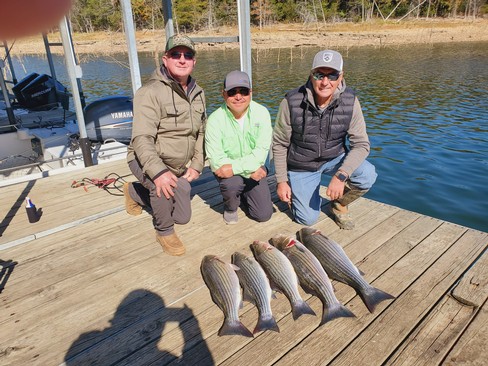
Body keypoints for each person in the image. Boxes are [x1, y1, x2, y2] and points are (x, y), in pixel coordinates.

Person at [272, 50, 377, 230]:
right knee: (307, 219)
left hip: (334, 158)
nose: (325, 82)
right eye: (319, 74)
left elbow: (361, 144)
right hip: (301, 164)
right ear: (311, 74)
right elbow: (280, 144)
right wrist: (281, 181)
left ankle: (339, 203)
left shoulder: (351, 101)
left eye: (332, 75)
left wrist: (341, 175)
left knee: (367, 175)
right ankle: (302, 193)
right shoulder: (291, 101)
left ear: (341, 76)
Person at [123, 35, 206, 255]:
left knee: (183, 217)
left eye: (188, 55)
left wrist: (197, 163)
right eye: (175, 54)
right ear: (165, 59)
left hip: (178, 166)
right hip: (146, 160)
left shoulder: (199, 93)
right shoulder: (149, 92)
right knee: (161, 188)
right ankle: (164, 231)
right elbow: (141, 139)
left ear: (194, 61)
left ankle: (134, 191)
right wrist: (158, 173)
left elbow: (202, 132)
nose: (182, 59)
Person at [205, 70, 273, 224]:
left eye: (243, 91)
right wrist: (246, 169)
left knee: (263, 215)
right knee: (232, 183)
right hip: (235, 173)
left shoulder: (262, 113)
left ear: (250, 92)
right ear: (224, 94)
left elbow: (261, 151)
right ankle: (230, 207)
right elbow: (216, 161)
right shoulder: (214, 119)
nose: (238, 97)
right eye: (232, 92)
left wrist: (236, 168)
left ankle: (243, 194)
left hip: (251, 168)